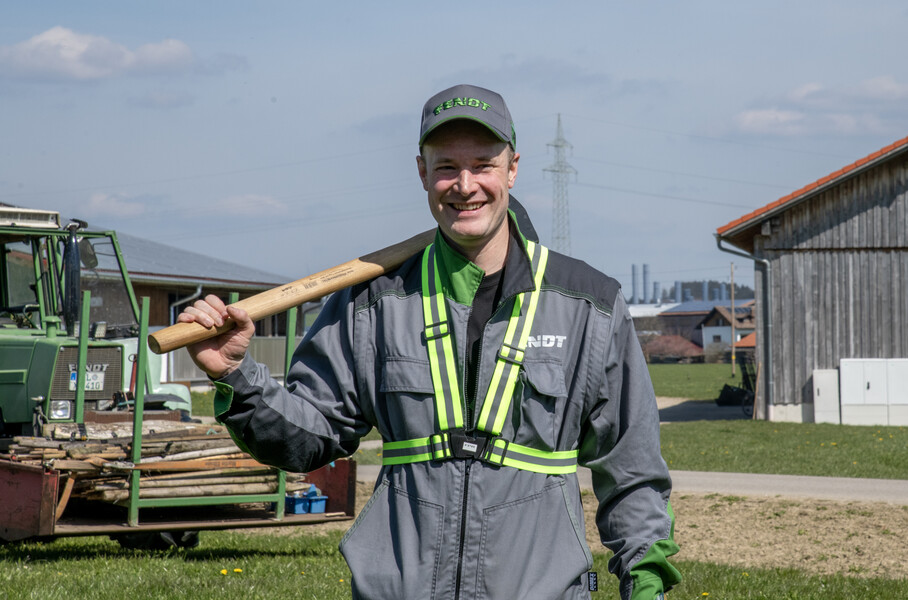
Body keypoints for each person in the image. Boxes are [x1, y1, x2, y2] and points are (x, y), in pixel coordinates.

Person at [180, 84, 681, 600]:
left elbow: (632, 467)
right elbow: (311, 437)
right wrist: (234, 374)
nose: (465, 185)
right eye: (446, 167)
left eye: (483, 165)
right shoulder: (372, 302)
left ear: (512, 169)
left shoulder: (590, 305)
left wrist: (645, 579)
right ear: (422, 172)